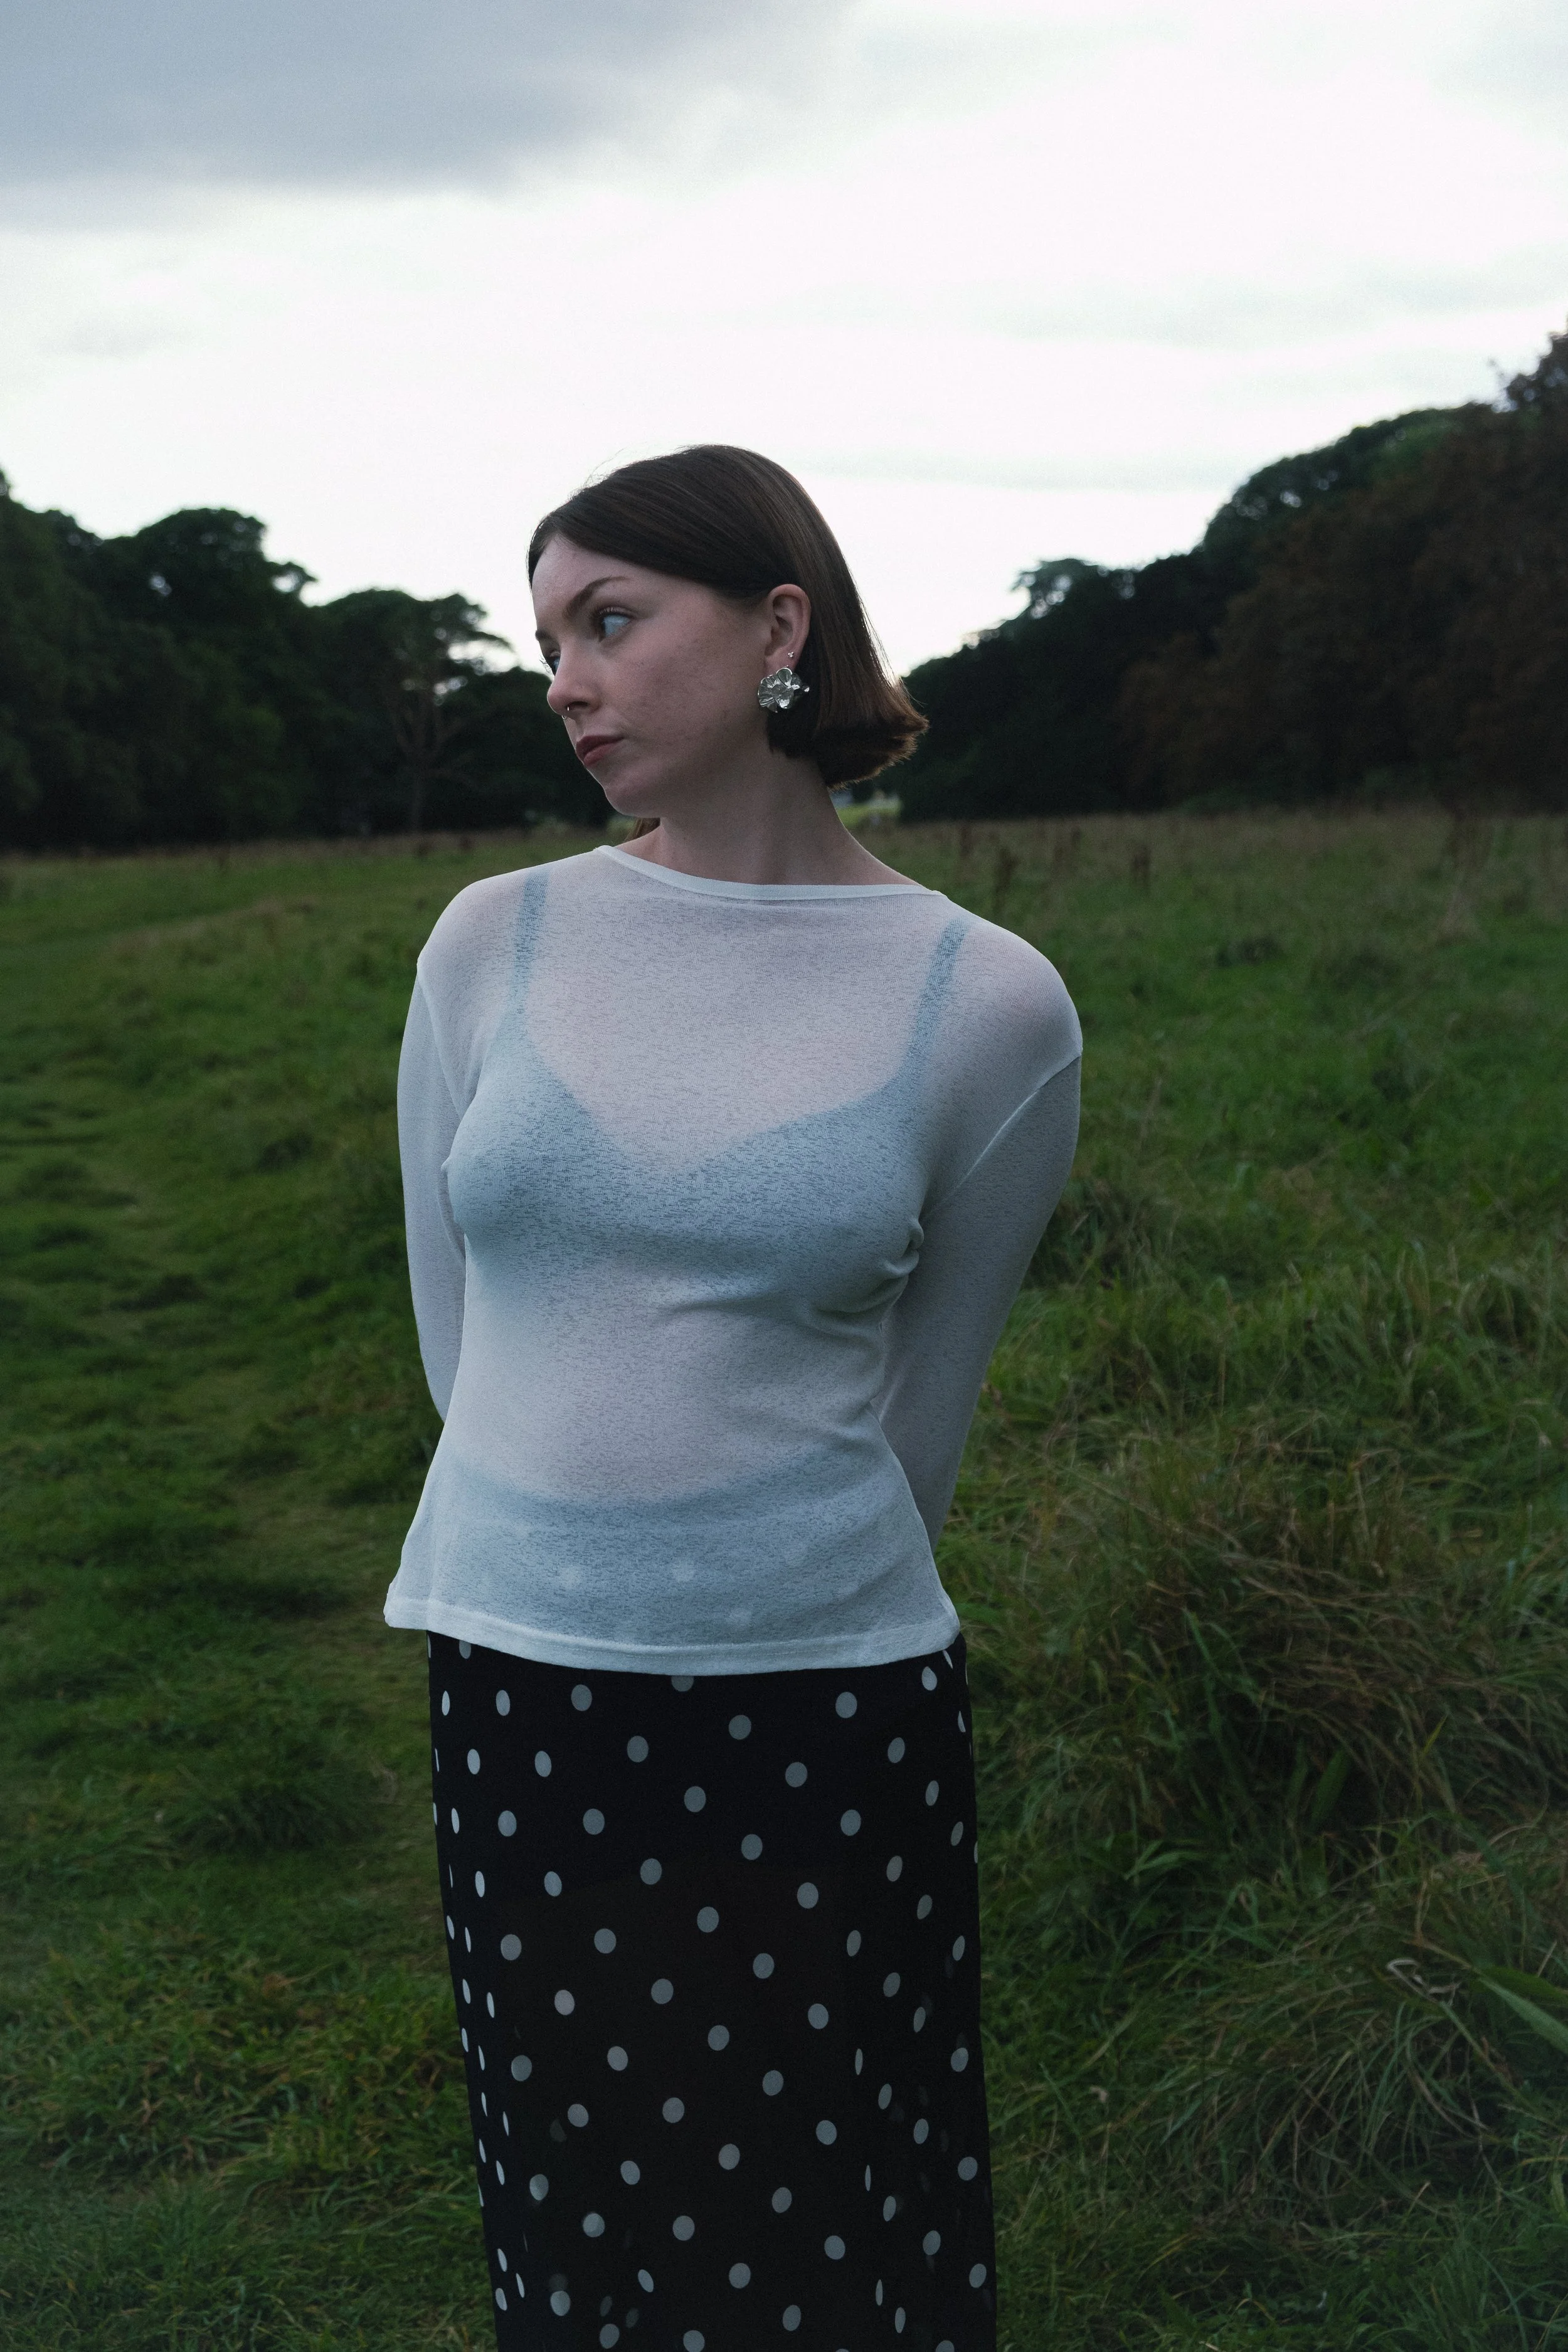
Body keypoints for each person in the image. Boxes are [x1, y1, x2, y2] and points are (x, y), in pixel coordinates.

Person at [386, 445, 1081, 2352]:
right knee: (579, 2196)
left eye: (611, 621)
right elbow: (464, 1337)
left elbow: (919, 1415)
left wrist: (743, 1591)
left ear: (779, 627)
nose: (567, 681)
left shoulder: (987, 1001)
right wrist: (568, 1553)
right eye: (547, 640)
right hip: (519, 1675)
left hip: (821, 1701)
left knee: (819, 2199)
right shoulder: (490, 941)